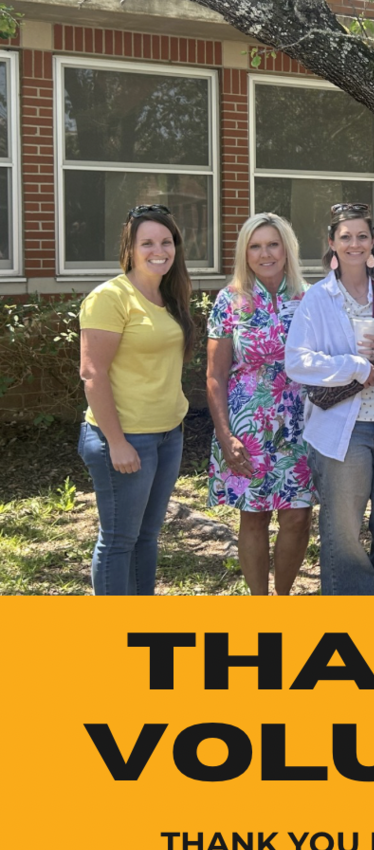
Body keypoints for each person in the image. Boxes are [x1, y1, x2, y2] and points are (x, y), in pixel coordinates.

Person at [284, 203, 374, 595]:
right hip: (340, 432)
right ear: (331, 243)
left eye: (362, 236)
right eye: (345, 237)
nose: (354, 244)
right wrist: (353, 366)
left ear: (373, 241)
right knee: (343, 533)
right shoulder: (317, 297)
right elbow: (297, 362)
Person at [78, 204, 195, 595]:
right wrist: (116, 442)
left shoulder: (169, 296)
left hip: (167, 435)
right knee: (118, 540)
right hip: (126, 438)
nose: (158, 250)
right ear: (130, 247)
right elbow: (92, 373)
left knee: (147, 537)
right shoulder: (110, 298)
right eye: (147, 242)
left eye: (166, 241)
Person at [206, 212, 314, 596]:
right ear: (245, 253)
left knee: (298, 517)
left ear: (287, 249)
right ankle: (259, 603)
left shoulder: (309, 297)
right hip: (246, 425)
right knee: (253, 517)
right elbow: (215, 374)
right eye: (255, 246)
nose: (265, 253)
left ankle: (282, 600)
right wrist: (224, 435)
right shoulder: (229, 301)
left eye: (273, 244)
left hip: (299, 423)